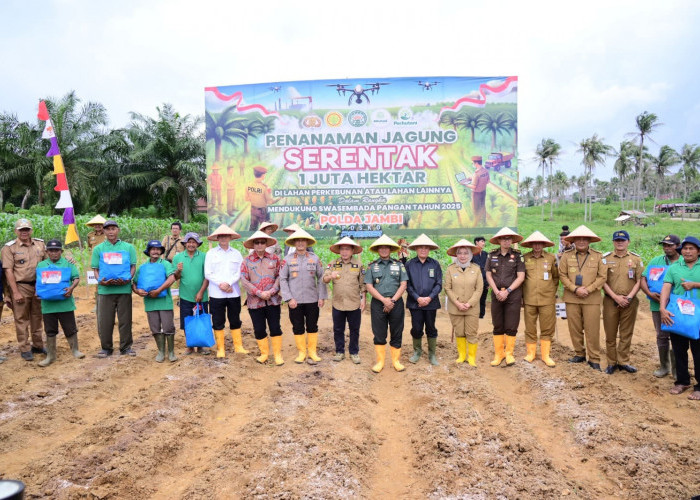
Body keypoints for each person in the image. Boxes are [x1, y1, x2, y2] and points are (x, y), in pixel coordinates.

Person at [558, 225, 606, 371]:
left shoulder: (598, 256)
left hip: (591, 298)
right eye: (578, 239)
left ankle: (594, 359)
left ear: (589, 241)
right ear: (573, 241)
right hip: (572, 298)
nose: (581, 241)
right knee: (575, 328)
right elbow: (562, 275)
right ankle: (579, 353)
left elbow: (602, 276)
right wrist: (575, 289)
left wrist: (588, 289)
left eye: (584, 239)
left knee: (592, 329)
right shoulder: (566, 256)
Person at [660, 236, 700, 401]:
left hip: (698, 316)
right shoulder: (675, 267)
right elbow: (666, 288)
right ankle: (682, 381)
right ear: (681, 251)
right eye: (685, 248)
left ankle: (699, 386)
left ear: (698, 251)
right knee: (678, 349)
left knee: (698, 352)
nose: (688, 251)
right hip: (679, 314)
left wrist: (695, 285)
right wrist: (662, 308)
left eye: (691, 248)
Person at [279, 229, 327, 364]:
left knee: (312, 325)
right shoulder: (287, 260)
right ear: (294, 243)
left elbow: (322, 277)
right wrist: (288, 298)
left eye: (303, 240)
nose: (300, 243)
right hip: (295, 300)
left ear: (307, 242)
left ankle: (312, 351)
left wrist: (321, 296)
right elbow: (283, 279)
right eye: (298, 241)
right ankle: (302, 352)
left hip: (312, 299)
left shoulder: (315, 258)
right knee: (298, 326)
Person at [2, 218, 47, 361]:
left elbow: (47, 264)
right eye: (21, 230)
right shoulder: (9, 248)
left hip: (38, 286)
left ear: (31, 230)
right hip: (20, 285)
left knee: (37, 316)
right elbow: (8, 271)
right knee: (21, 319)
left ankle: (38, 345)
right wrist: (14, 292)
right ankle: (25, 347)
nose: (24, 232)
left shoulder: (40, 244)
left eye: (27, 229)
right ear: (16, 231)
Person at [91, 219, 138, 357]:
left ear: (118, 230)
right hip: (105, 290)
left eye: (113, 229)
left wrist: (128, 278)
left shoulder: (128, 247)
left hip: (124, 289)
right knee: (105, 321)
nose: (110, 231)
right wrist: (101, 281)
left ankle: (126, 347)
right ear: (104, 231)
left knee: (125, 320)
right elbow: (95, 269)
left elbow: (133, 267)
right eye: (108, 229)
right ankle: (106, 348)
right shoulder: (98, 249)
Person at [364, 235, 409, 373]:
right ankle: (380, 362)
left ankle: (396, 361)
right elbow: (369, 286)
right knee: (379, 332)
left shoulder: (399, 265)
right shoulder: (372, 266)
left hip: (396, 302)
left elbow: (403, 284)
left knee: (397, 331)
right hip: (378, 303)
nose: (384, 250)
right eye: (381, 247)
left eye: (386, 247)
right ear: (378, 250)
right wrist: (384, 301)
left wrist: (393, 300)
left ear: (390, 249)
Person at [601, 230, 644, 374]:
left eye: (623, 240)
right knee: (610, 334)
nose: (620, 242)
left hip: (630, 302)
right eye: (617, 240)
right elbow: (603, 281)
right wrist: (615, 297)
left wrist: (630, 297)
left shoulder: (636, 259)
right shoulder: (605, 259)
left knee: (626, 333)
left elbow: (639, 281)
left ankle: (623, 361)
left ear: (628, 242)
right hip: (610, 301)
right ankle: (611, 362)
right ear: (613, 242)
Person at [36, 239, 83, 366]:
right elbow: (39, 282)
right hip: (48, 305)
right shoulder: (41, 265)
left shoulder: (67, 263)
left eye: (56, 250)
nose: (54, 253)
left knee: (70, 328)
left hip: (65, 304)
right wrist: (38, 292)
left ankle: (75, 350)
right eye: (51, 250)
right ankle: (51, 356)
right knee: (50, 330)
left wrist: (71, 288)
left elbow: (76, 278)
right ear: (47, 252)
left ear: (61, 251)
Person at [240, 230, 284, 366]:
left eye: (262, 242)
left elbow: (279, 276)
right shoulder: (246, 261)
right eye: (257, 242)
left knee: (275, 327)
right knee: (259, 328)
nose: (259, 245)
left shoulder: (274, 259)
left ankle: (277, 354)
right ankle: (264, 353)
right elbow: (244, 280)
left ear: (266, 244)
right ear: (253, 245)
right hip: (255, 302)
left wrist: (272, 291)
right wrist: (259, 293)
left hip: (273, 300)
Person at [640, 234, 681, 378]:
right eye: (664, 245)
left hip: (677, 307)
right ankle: (664, 366)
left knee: (678, 337)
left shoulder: (684, 261)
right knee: (662, 336)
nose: (666, 248)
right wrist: (650, 294)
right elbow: (643, 279)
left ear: (678, 246)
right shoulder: (656, 261)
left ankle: (678, 370)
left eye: (670, 245)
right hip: (657, 306)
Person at [485, 227, 525, 367]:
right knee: (498, 324)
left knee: (511, 324)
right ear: (499, 241)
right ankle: (499, 354)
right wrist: (496, 291)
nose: (506, 241)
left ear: (512, 241)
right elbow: (488, 274)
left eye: (508, 239)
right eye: (503, 238)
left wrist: (507, 291)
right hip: (496, 294)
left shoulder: (518, 256)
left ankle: (509, 354)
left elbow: (521, 277)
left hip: (513, 294)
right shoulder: (492, 255)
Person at [204, 224, 246, 358]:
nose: (223, 238)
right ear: (217, 238)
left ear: (230, 237)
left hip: (233, 292)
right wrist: (221, 284)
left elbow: (240, 271)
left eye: (226, 236)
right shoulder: (211, 254)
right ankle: (220, 348)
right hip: (217, 293)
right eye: (221, 236)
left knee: (235, 319)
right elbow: (208, 273)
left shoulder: (237, 253)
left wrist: (229, 283)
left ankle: (238, 347)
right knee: (218, 320)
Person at [322, 236, 366, 364]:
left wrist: (363, 300)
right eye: (342, 249)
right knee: (338, 329)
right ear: (339, 251)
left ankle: (354, 352)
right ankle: (340, 351)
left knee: (354, 329)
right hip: (338, 303)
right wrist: (331, 275)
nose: (344, 252)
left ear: (352, 251)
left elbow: (363, 284)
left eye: (347, 249)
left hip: (354, 303)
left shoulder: (358, 265)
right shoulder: (333, 263)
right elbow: (324, 279)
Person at [133, 240, 177, 362]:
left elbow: (172, 278)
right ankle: (161, 351)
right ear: (148, 251)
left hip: (164, 301)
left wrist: (158, 290)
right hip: (150, 302)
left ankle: (171, 352)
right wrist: (137, 291)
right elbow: (134, 283)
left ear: (161, 251)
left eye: (158, 249)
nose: (155, 251)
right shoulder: (142, 267)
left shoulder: (166, 264)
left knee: (168, 327)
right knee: (155, 328)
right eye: (152, 249)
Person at [521, 231, 559, 367]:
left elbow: (555, 277)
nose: (537, 246)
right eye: (534, 243)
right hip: (529, 299)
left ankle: (545, 355)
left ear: (543, 244)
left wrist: (551, 291)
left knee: (547, 327)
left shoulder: (551, 258)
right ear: (531, 245)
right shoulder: (524, 258)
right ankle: (531, 353)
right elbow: (521, 278)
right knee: (530, 327)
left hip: (547, 299)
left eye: (539, 243)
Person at [444, 239, 483, 366]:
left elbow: (479, 289)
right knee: (459, 332)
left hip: (472, 308)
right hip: (456, 308)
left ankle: (471, 357)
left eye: (465, 253)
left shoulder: (476, 269)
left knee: (471, 332)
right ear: (456, 255)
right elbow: (447, 288)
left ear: (470, 255)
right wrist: (457, 303)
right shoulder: (451, 269)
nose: (462, 256)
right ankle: (461, 355)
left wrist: (469, 303)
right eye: (460, 253)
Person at [405, 234, 443, 365]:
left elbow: (439, 284)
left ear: (429, 250)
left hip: (431, 303)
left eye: (426, 248)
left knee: (431, 327)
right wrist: (417, 298)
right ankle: (417, 351)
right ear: (416, 249)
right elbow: (407, 284)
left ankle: (432, 354)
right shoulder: (409, 264)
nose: (423, 250)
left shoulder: (435, 264)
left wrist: (429, 297)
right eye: (420, 247)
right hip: (415, 304)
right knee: (416, 327)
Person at [172, 232, 210, 355]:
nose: (191, 244)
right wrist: (178, 270)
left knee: (200, 320)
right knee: (187, 321)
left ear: (198, 244)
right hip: (185, 296)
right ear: (185, 244)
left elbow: (207, 277)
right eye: (189, 242)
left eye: (194, 242)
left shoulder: (204, 257)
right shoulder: (178, 258)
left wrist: (201, 292)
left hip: (201, 296)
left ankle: (200, 346)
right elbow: (176, 277)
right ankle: (190, 346)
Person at [246, 166, 275, 231]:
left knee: (253, 228)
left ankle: (250, 240)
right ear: (262, 175)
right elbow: (269, 202)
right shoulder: (264, 187)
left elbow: (246, 198)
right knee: (264, 229)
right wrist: (277, 198)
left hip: (253, 209)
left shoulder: (248, 185)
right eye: (264, 174)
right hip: (262, 211)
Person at [466, 156, 489, 226]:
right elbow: (488, 181)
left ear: (476, 163)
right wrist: (472, 178)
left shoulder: (476, 174)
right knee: (483, 206)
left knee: (476, 209)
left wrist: (464, 184)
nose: (472, 164)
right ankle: (484, 222)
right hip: (483, 191)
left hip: (476, 194)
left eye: (473, 163)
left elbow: (473, 186)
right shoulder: (485, 171)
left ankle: (477, 223)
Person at [472, 236, 489, 318]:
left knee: (483, 299)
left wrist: (488, 282)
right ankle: (473, 314)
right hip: (474, 281)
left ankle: (481, 315)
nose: (483, 243)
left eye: (484, 241)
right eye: (482, 241)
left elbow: (489, 267)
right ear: (476, 242)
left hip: (485, 280)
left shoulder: (485, 254)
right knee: (475, 298)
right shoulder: (471, 253)